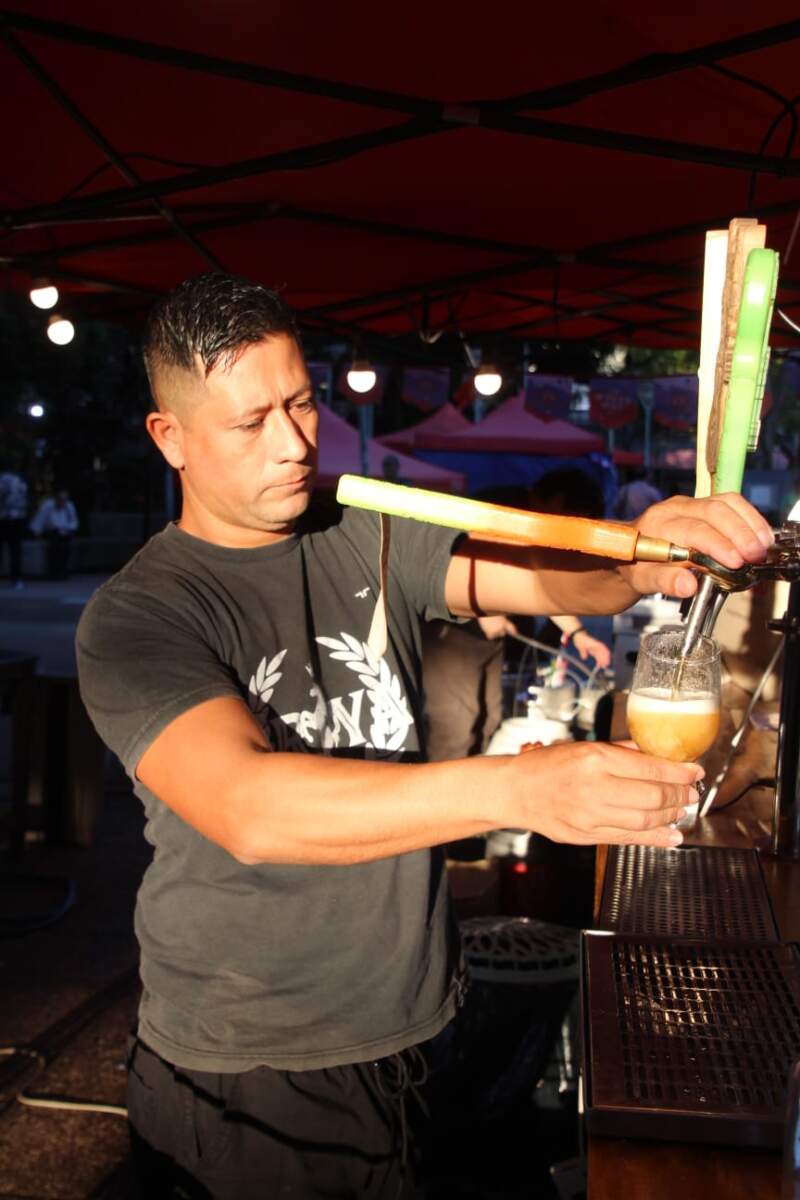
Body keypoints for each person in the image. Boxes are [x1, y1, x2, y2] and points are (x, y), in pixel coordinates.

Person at [75, 273, 772, 1200]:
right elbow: (249, 808)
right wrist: (521, 790)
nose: (294, 443)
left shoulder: (360, 531)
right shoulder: (140, 616)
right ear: (172, 438)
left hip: (411, 1023)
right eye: (251, 424)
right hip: (255, 1062)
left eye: (301, 402)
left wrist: (640, 551)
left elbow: (545, 582)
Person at [30, 489, 79, 579]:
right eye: (60, 500)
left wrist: (69, 529)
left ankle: (63, 571)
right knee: (54, 547)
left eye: (64, 500)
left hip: (65, 532)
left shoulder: (69, 506)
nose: (62, 502)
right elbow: (40, 520)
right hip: (51, 532)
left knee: (65, 548)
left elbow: (73, 521)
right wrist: (37, 532)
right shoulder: (47, 506)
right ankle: (53, 572)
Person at [0, 461, 28, 588]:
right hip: (18, 517)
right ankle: (16, 578)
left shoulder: (4, 479)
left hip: (5, 517)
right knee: (16, 550)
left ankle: (14, 577)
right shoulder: (21, 480)